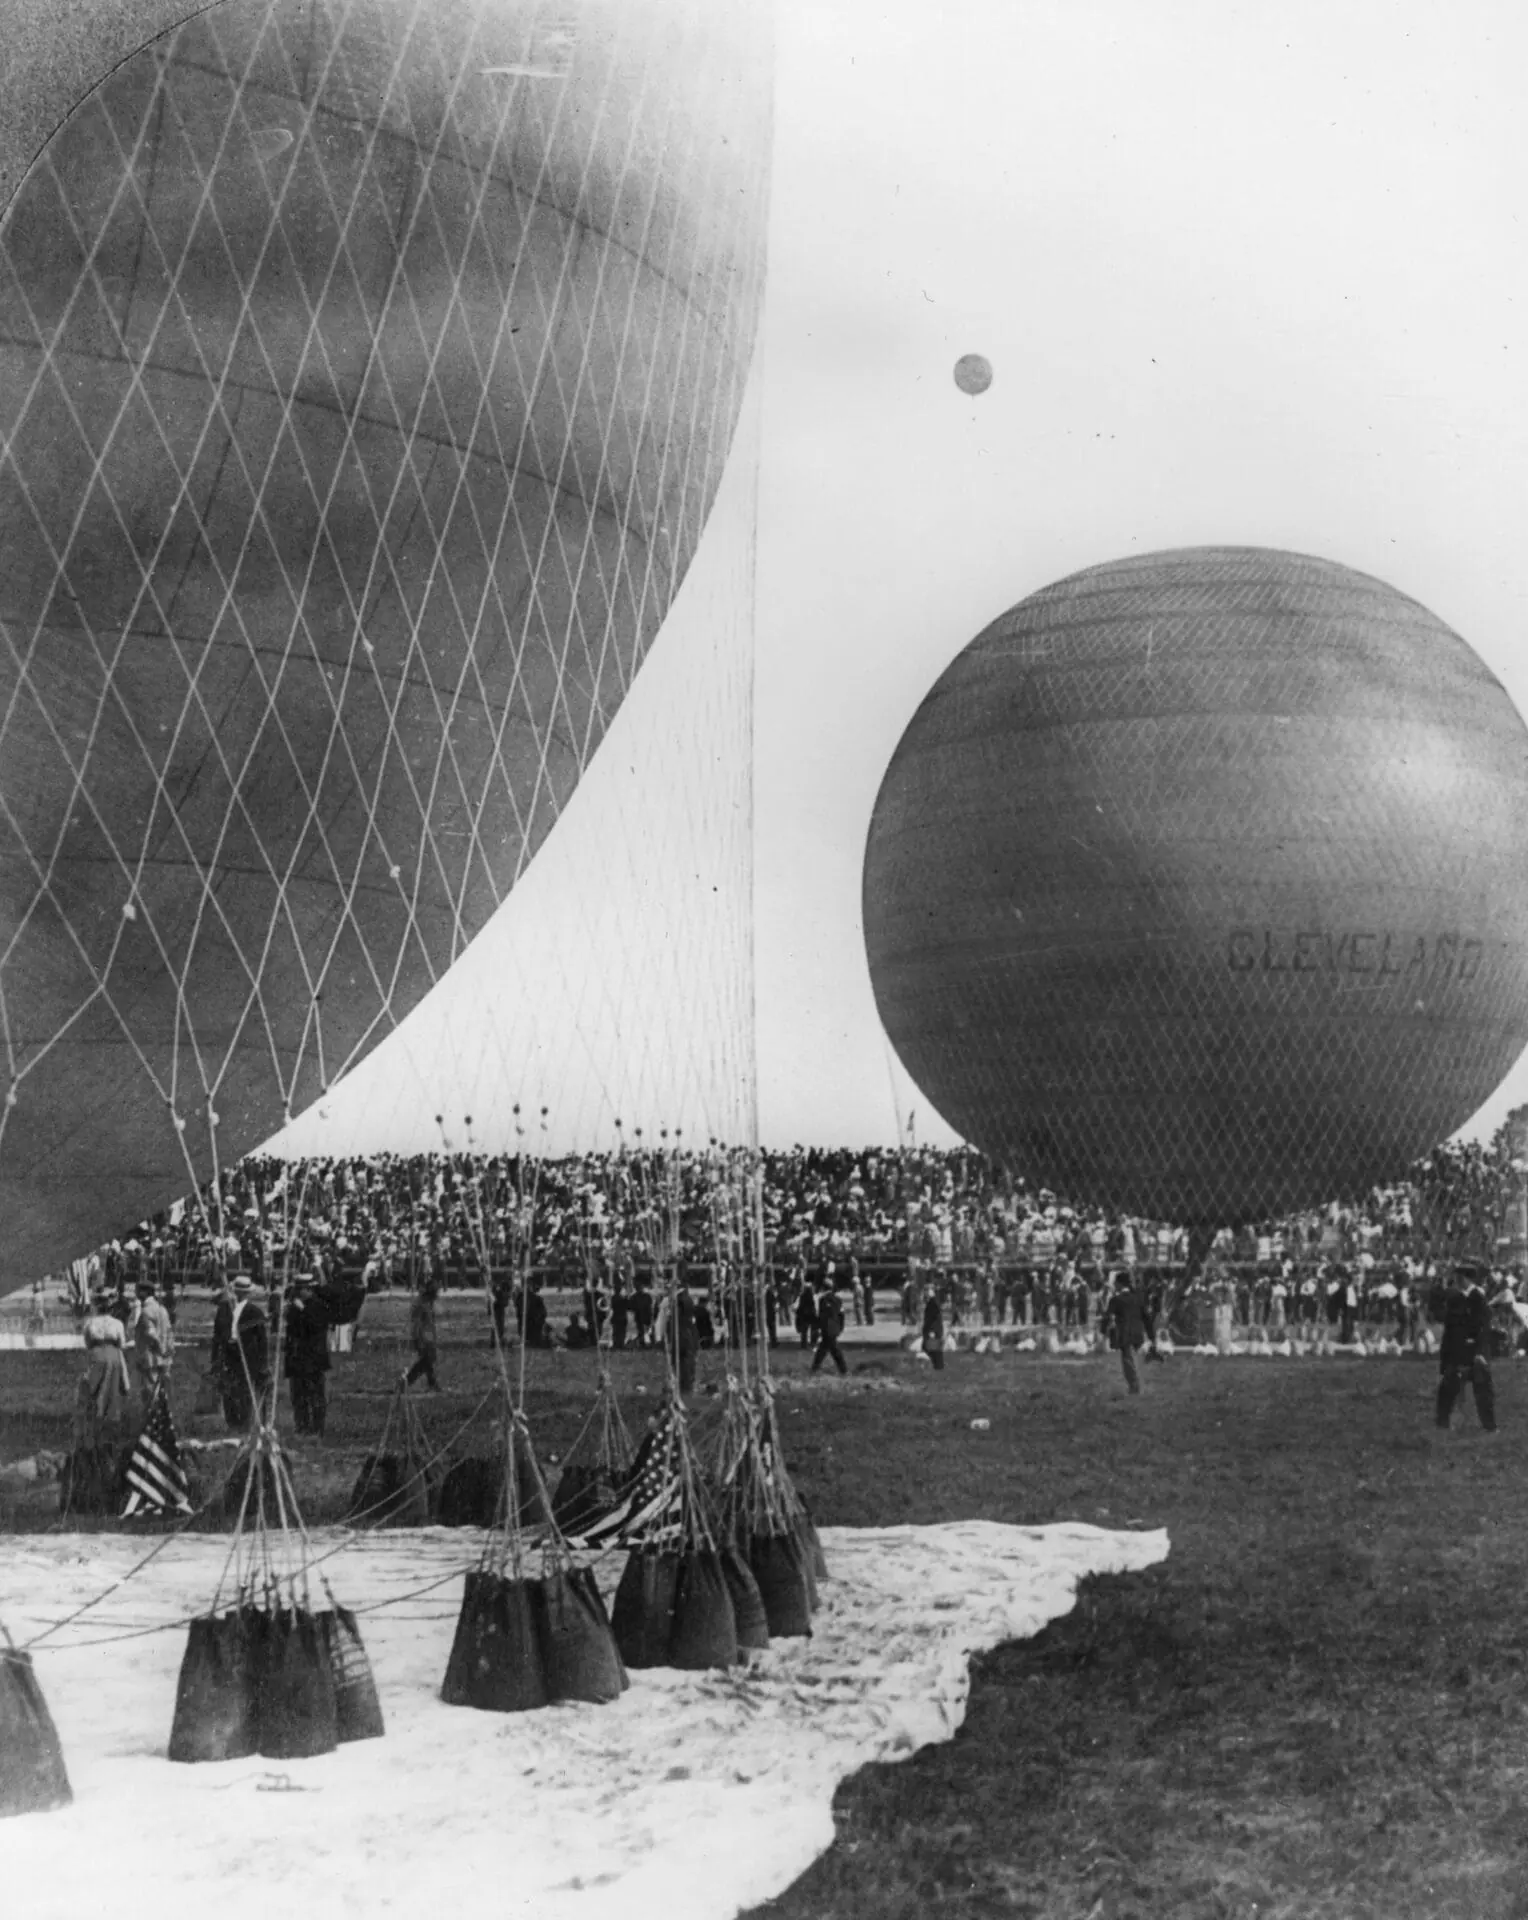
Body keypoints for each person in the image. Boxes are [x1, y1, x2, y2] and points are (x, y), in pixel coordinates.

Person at [1436, 1265, 1497, 1432]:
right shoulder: (1454, 1299)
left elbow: (1484, 1329)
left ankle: (1490, 1426)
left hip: (1475, 1354)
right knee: (1447, 1390)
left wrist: (1480, 1353)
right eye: (1456, 1277)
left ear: (1468, 1278)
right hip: (1456, 1353)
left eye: (1460, 1277)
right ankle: (1442, 1424)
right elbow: (1449, 1331)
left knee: (1483, 1392)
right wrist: (1445, 1359)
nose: (1457, 1280)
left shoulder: (1479, 1299)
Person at [284, 1273, 331, 1436]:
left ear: (309, 1289)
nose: (298, 1294)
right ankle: (302, 1425)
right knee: (298, 1395)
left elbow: (314, 1327)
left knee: (315, 1394)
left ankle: (317, 1427)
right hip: (297, 1358)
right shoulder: (295, 1307)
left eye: (301, 1290)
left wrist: (302, 1310)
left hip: (313, 1358)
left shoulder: (318, 1306)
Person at [130, 1276, 174, 1411]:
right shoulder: (162, 1309)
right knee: (161, 1392)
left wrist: (159, 1349)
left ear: (144, 1292)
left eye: (137, 1291)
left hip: (150, 1358)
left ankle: (152, 1423)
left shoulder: (146, 1312)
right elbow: (169, 1333)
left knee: (150, 1394)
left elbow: (151, 1335)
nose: (135, 1294)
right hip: (163, 1359)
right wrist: (168, 1353)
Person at [1106, 1271, 1147, 1395]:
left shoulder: (1115, 1299)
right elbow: (1145, 1315)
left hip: (1125, 1332)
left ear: (1119, 1284)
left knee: (1127, 1360)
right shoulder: (1137, 1297)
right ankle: (1136, 1385)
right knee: (1135, 1359)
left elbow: (1109, 1316)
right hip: (1138, 1331)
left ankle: (1134, 1386)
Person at [405, 1277, 441, 1390]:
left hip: (429, 1336)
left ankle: (432, 1383)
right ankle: (406, 1381)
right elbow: (416, 1324)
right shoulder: (421, 1304)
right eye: (436, 1291)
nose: (438, 1294)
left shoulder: (429, 1303)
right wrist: (418, 1340)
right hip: (423, 1338)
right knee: (427, 1360)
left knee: (429, 1360)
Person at [811, 1281, 847, 1376]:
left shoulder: (822, 1300)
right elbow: (841, 1315)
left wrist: (818, 1327)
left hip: (826, 1328)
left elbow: (821, 1315)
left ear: (823, 1289)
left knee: (832, 1350)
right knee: (824, 1349)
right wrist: (841, 1327)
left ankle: (843, 1369)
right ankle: (815, 1368)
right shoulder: (838, 1299)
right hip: (835, 1327)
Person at [920, 1284, 945, 1371]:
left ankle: (937, 1367)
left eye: (927, 1291)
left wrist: (932, 1330)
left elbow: (935, 1318)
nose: (925, 1293)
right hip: (932, 1330)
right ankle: (936, 1367)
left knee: (933, 1349)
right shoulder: (932, 1302)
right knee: (930, 1348)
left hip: (933, 1330)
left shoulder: (933, 1303)